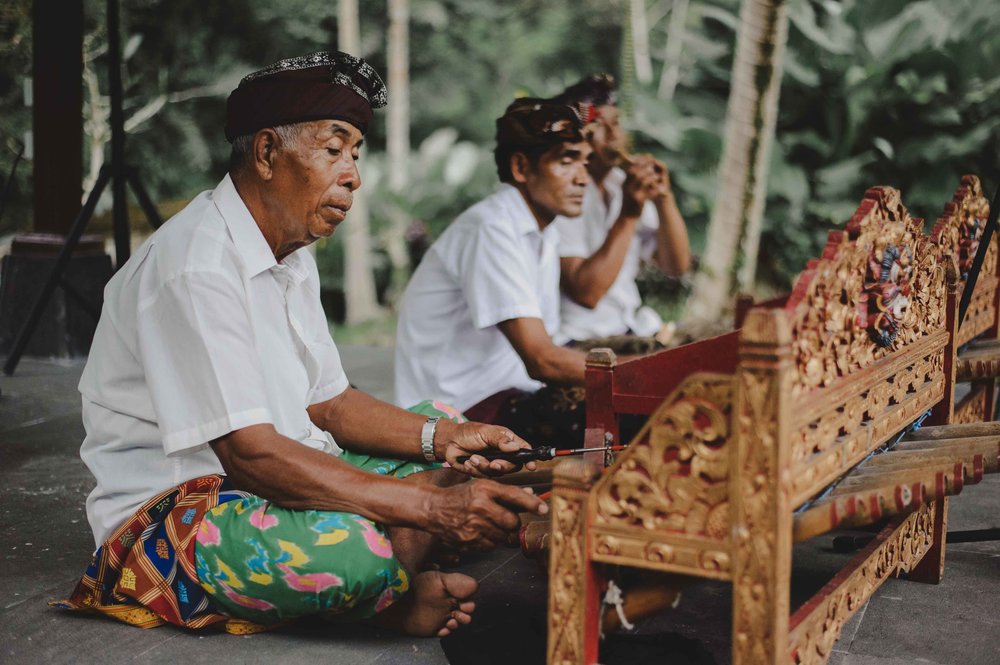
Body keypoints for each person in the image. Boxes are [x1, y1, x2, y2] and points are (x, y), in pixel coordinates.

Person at [54, 51, 546, 639]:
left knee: (441, 427)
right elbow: (250, 455)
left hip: (280, 478)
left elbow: (329, 404)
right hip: (183, 513)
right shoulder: (197, 266)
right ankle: (387, 598)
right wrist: (427, 507)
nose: (354, 176)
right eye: (333, 149)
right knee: (354, 555)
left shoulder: (290, 255)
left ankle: (392, 573)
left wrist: (445, 441)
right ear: (267, 153)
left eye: (356, 154)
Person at [394, 98, 593, 448]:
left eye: (584, 162)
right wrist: (649, 374)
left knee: (635, 372)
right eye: (567, 161)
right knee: (629, 409)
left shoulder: (541, 231)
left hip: (507, 390)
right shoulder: (492, 228)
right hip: (460, 412)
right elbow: (542, 360)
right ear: (520, 167)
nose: (583, 178)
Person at [552, 73, 691, 353]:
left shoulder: (620, 184)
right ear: (579, 136)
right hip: (579, 340)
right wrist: (629, 213)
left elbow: (676, 266)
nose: (614, 136)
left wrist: (664, 199)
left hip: (628, 327)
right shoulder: (562, 195)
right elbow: (586, 294)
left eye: (616, 123)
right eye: (599, 128)